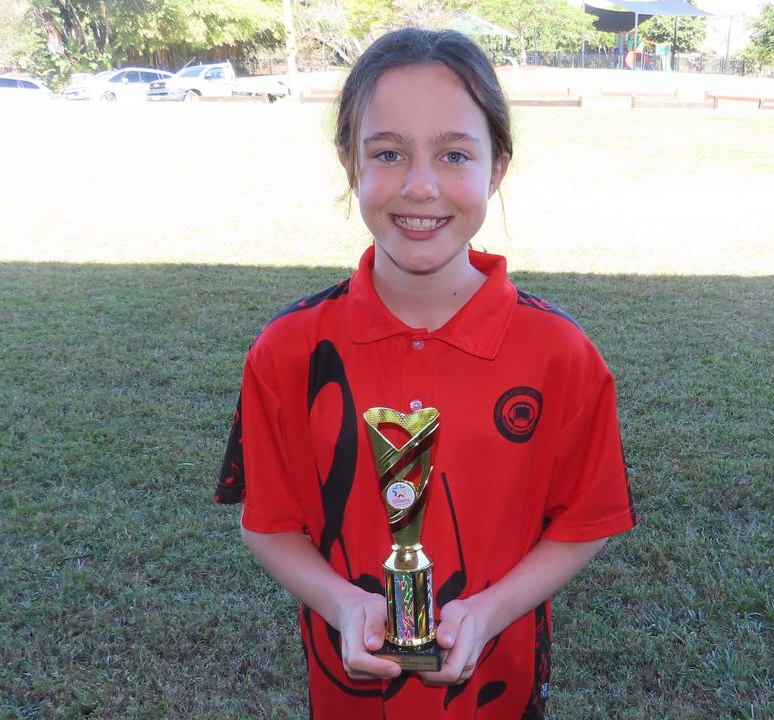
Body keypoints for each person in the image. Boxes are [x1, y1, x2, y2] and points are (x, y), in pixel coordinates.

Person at [215, 27, 636, 719]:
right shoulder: (288, 350)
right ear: (350, 163)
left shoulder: (561, 353)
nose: (419, 186)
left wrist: (491, 608)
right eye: (388, 153)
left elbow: (585, 521)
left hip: (500, 691)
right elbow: (268, 523)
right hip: (348, 695)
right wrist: (344, 602)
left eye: (454, 154)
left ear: (497, 166)